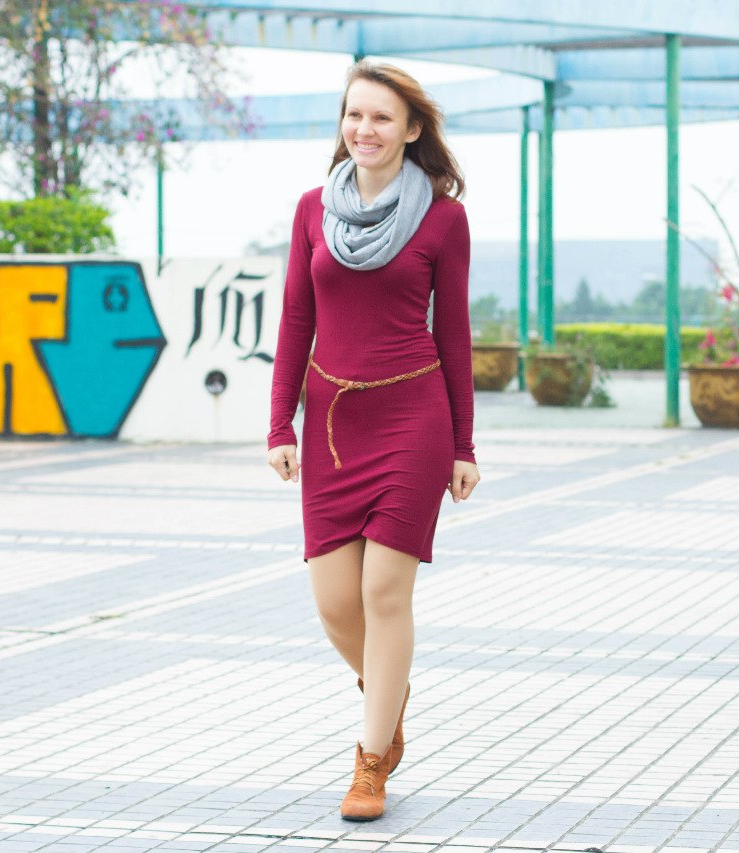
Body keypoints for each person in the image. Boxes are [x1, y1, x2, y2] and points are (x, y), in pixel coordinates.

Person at [266, 60, 480, 821]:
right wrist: (279, 422)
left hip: (413, 419)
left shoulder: (443, 220)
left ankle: (369, 761)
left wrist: (464, 444)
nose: (365, 129)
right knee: (335, 605)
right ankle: (389, 698)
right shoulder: (310, 211)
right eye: (354, 114)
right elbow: (296, 320)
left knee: (384, 592)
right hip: (331, 423)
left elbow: (454, 335)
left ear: (412, 129)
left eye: (382, 117)